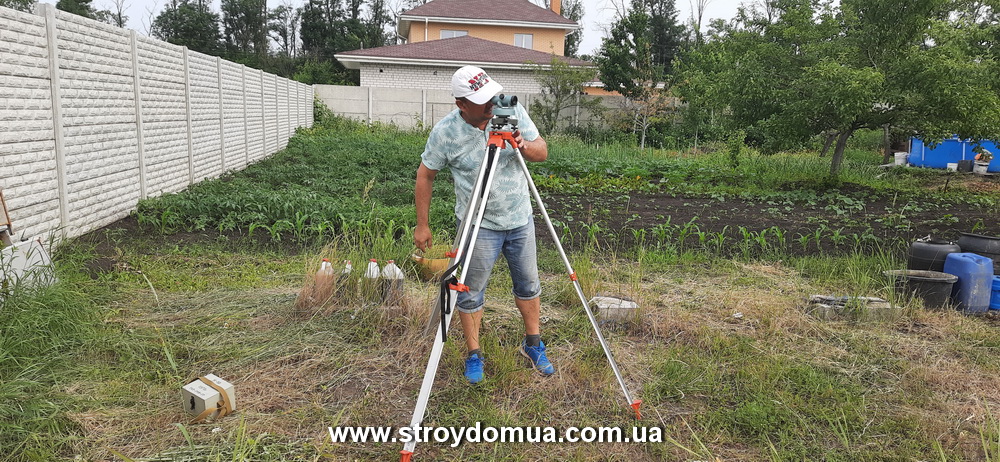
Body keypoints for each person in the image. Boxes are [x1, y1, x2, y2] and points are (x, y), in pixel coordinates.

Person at [413, 65, 553, 384]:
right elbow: (426, 174)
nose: (492, 105)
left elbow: (542, 152)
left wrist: (521, 144)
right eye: (482, 99)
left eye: (492, 95)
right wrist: (422, 224)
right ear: (462, 103)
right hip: (478, 224)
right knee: (472, 292)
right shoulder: (446, 132)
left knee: (529, 285)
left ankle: (533, 344)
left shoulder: (510, 109)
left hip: (519, 219)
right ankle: (474, 353)